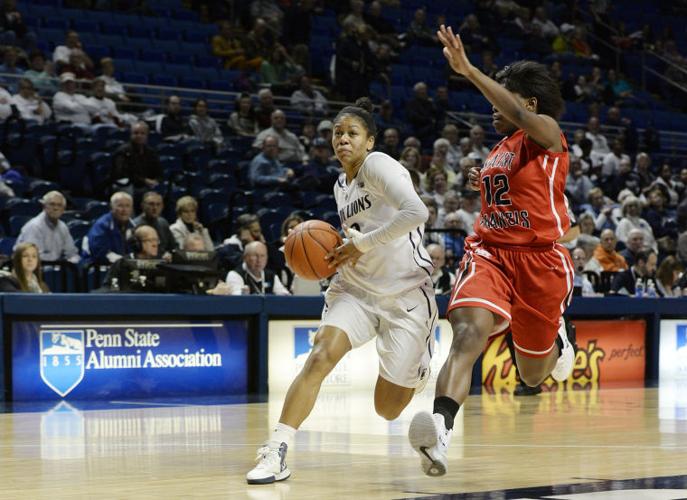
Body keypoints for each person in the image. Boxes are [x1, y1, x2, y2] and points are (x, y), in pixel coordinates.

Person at [409, 27, 578, 478]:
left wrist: (468, 71)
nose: (492, 107)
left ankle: (559, 336)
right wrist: (481, 180)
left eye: (505, 98)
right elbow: (507, 195)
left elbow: (517, 116)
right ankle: (439, 432)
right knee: (467, 334)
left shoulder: (548, 135)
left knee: (532, 375)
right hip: (491, 255)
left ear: (529, 105)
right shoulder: (499, 149)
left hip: (540, 263)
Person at [246, 98, 437, 485]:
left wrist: (361, 244)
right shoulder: (340, 186)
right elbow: (358, 237)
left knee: (387, 409)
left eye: (352, 133)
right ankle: (277, 449)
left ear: (369, 141)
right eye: (337, 133)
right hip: (356, 289)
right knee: (320, 355)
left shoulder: (379, 165)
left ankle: (418, 369)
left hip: (406, 296)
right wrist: (338, 251)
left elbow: (418, 213)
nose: (343, 139)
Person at [15, 191, 80, 263]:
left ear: (63, 210)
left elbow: (71, 253)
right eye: (52, 204)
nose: (55, 208)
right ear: (44, 206)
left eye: (59, 205)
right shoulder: (34, 226)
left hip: (53, 266)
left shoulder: (63, 227)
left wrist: (74, 261)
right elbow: (33, 257)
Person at [209, 241, 290, 296]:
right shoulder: (235, 275)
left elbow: (285, 296)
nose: (259, 260)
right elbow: (237, 300)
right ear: (245, 257)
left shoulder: (271, 275)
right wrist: (243, 294)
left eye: (262, 256)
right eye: (255, 256)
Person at [111, 122, 163, 198]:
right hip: (128, 184)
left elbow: (159, 172)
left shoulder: (151, 152)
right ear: (131, 135)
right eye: (136, 133)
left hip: (146, 185)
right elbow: (121, 174)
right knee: (126, 188)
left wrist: (156, 181)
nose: (139, 136)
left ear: (147, 136)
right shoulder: (123, 151)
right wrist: (144, 180)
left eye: (142, 133)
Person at [82, 191, 136, 264]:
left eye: (128, 206)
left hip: (122, 265)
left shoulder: (133, 225)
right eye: (120, 206)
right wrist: (124, 261)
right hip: (98, 266)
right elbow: (99, 252)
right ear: (111, 207)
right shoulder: (102, 225)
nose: (124, 210)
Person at [132, 191, 176, 258]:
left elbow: (173, 247)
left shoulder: (163, 223)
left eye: (158, 204)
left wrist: (170, 254)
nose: (155, 208)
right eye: (151, 204)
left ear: (162, 206)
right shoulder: (134, 225)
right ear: (142, 205)